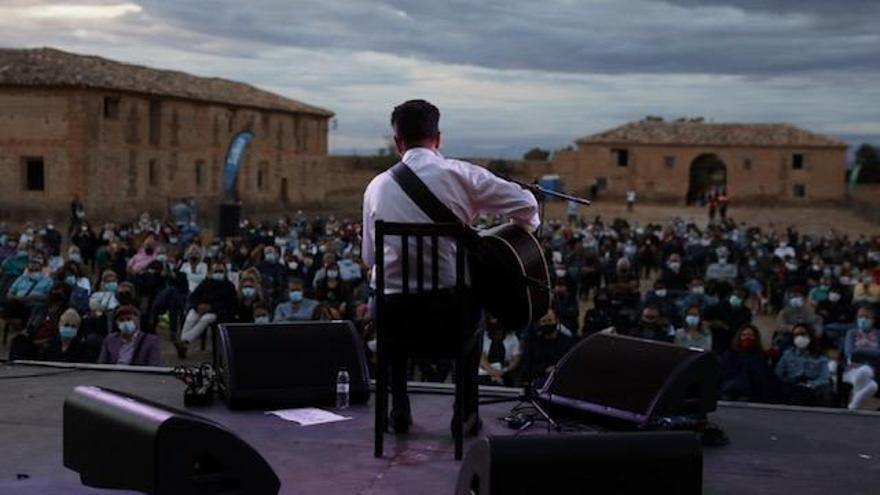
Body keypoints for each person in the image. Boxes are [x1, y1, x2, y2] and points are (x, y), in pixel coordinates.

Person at [362, 99, 539, 435]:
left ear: (397, 142)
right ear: (438, 138)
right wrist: (511, 238)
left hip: (393, 318)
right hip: (450, 318)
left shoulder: (376, 187)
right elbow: (527, 204)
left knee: (384, 299)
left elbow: (370, 259)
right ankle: (464, 415)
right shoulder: (461, 174)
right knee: (475, 310)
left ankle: (398, 410)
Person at [176, 262, 237, 358]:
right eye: (216, 271)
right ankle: (183, 344)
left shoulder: (229, 286)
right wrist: (197, 306)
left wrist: (211, 308)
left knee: (205, 319)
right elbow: (193, 296)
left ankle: (184, 341)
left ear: (225, 272)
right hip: (200, 308)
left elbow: (229, 304)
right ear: (212, 272)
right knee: (190, 317)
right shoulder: (206, 283)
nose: (218, 273)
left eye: (221, 271)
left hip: (216, 312)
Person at [774, 323, 832, 406]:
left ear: (810, 335)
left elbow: (824, 378)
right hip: (792, 388)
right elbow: (778, 374)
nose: (799, 337)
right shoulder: (787, 355)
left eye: (803, 334)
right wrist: (792, 381)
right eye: (796, 335)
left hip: (813, 389)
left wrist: (809, 384)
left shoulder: (820, 357)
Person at [720, 325, 775, 401]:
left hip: (752, 394)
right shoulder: (729, 354)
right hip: (729, 392)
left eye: (750, 335)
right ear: (739, 337)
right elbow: (724, 374)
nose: (747, 338)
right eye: (744, 335)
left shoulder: (760, 356)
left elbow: (762, 377)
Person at [521, 310, 575, 385]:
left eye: (549, 320)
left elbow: (571, 365)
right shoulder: (533, 343)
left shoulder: (567, 342)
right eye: (543, 321)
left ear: (557, 321)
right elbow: (527, 367)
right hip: (538, 382)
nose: (546, 324)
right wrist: (544, 370)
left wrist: (555, 369)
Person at [841, 305, 879, 410]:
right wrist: (871, 352)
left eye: (867, 317)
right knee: (866, 376)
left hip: (875, 369)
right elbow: (849, 353)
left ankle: (854, 405)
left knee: (865, 371)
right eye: (861, 316)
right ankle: (855, 403)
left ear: (873, 320)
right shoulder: (851, 333)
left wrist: (860, 352)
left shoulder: (878, 334)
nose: (863, 319)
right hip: (852, 368)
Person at [478, 317, 521, 387]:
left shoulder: (513, 338)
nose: (498, 333)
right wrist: (493, 372)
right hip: (485, 372)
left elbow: (516, 359)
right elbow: (482, 359)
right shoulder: (483, 337)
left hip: (504, 372)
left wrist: (504, 371)